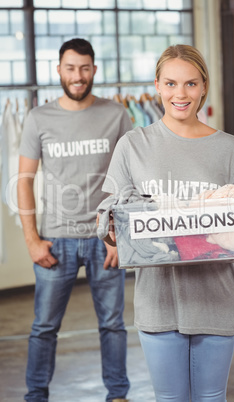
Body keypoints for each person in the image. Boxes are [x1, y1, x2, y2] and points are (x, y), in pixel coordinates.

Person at [97, 44, 234, 402]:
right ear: (157, 85)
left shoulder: (230, 148)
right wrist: (112, 231)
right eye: (171, 83)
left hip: (215, 300)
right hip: (158, 301)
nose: (180, 94)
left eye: (190, 84)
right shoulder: (133, 145)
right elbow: (113, 222)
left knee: (211, 397)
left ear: (204, 86)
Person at [17, 38, 132, 402]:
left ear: (94, 70)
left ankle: (117, 394)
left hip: (103, 239)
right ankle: (36, 395)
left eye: (84, 68)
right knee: (44, 327)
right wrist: (32, 240)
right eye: (70, 68)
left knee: (113, 325)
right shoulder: (39, 118)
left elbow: (130, 181)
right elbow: (24, 181)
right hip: (56, 239)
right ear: (59, 70)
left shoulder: (116, 114)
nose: (78, 76)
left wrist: (120, 236)